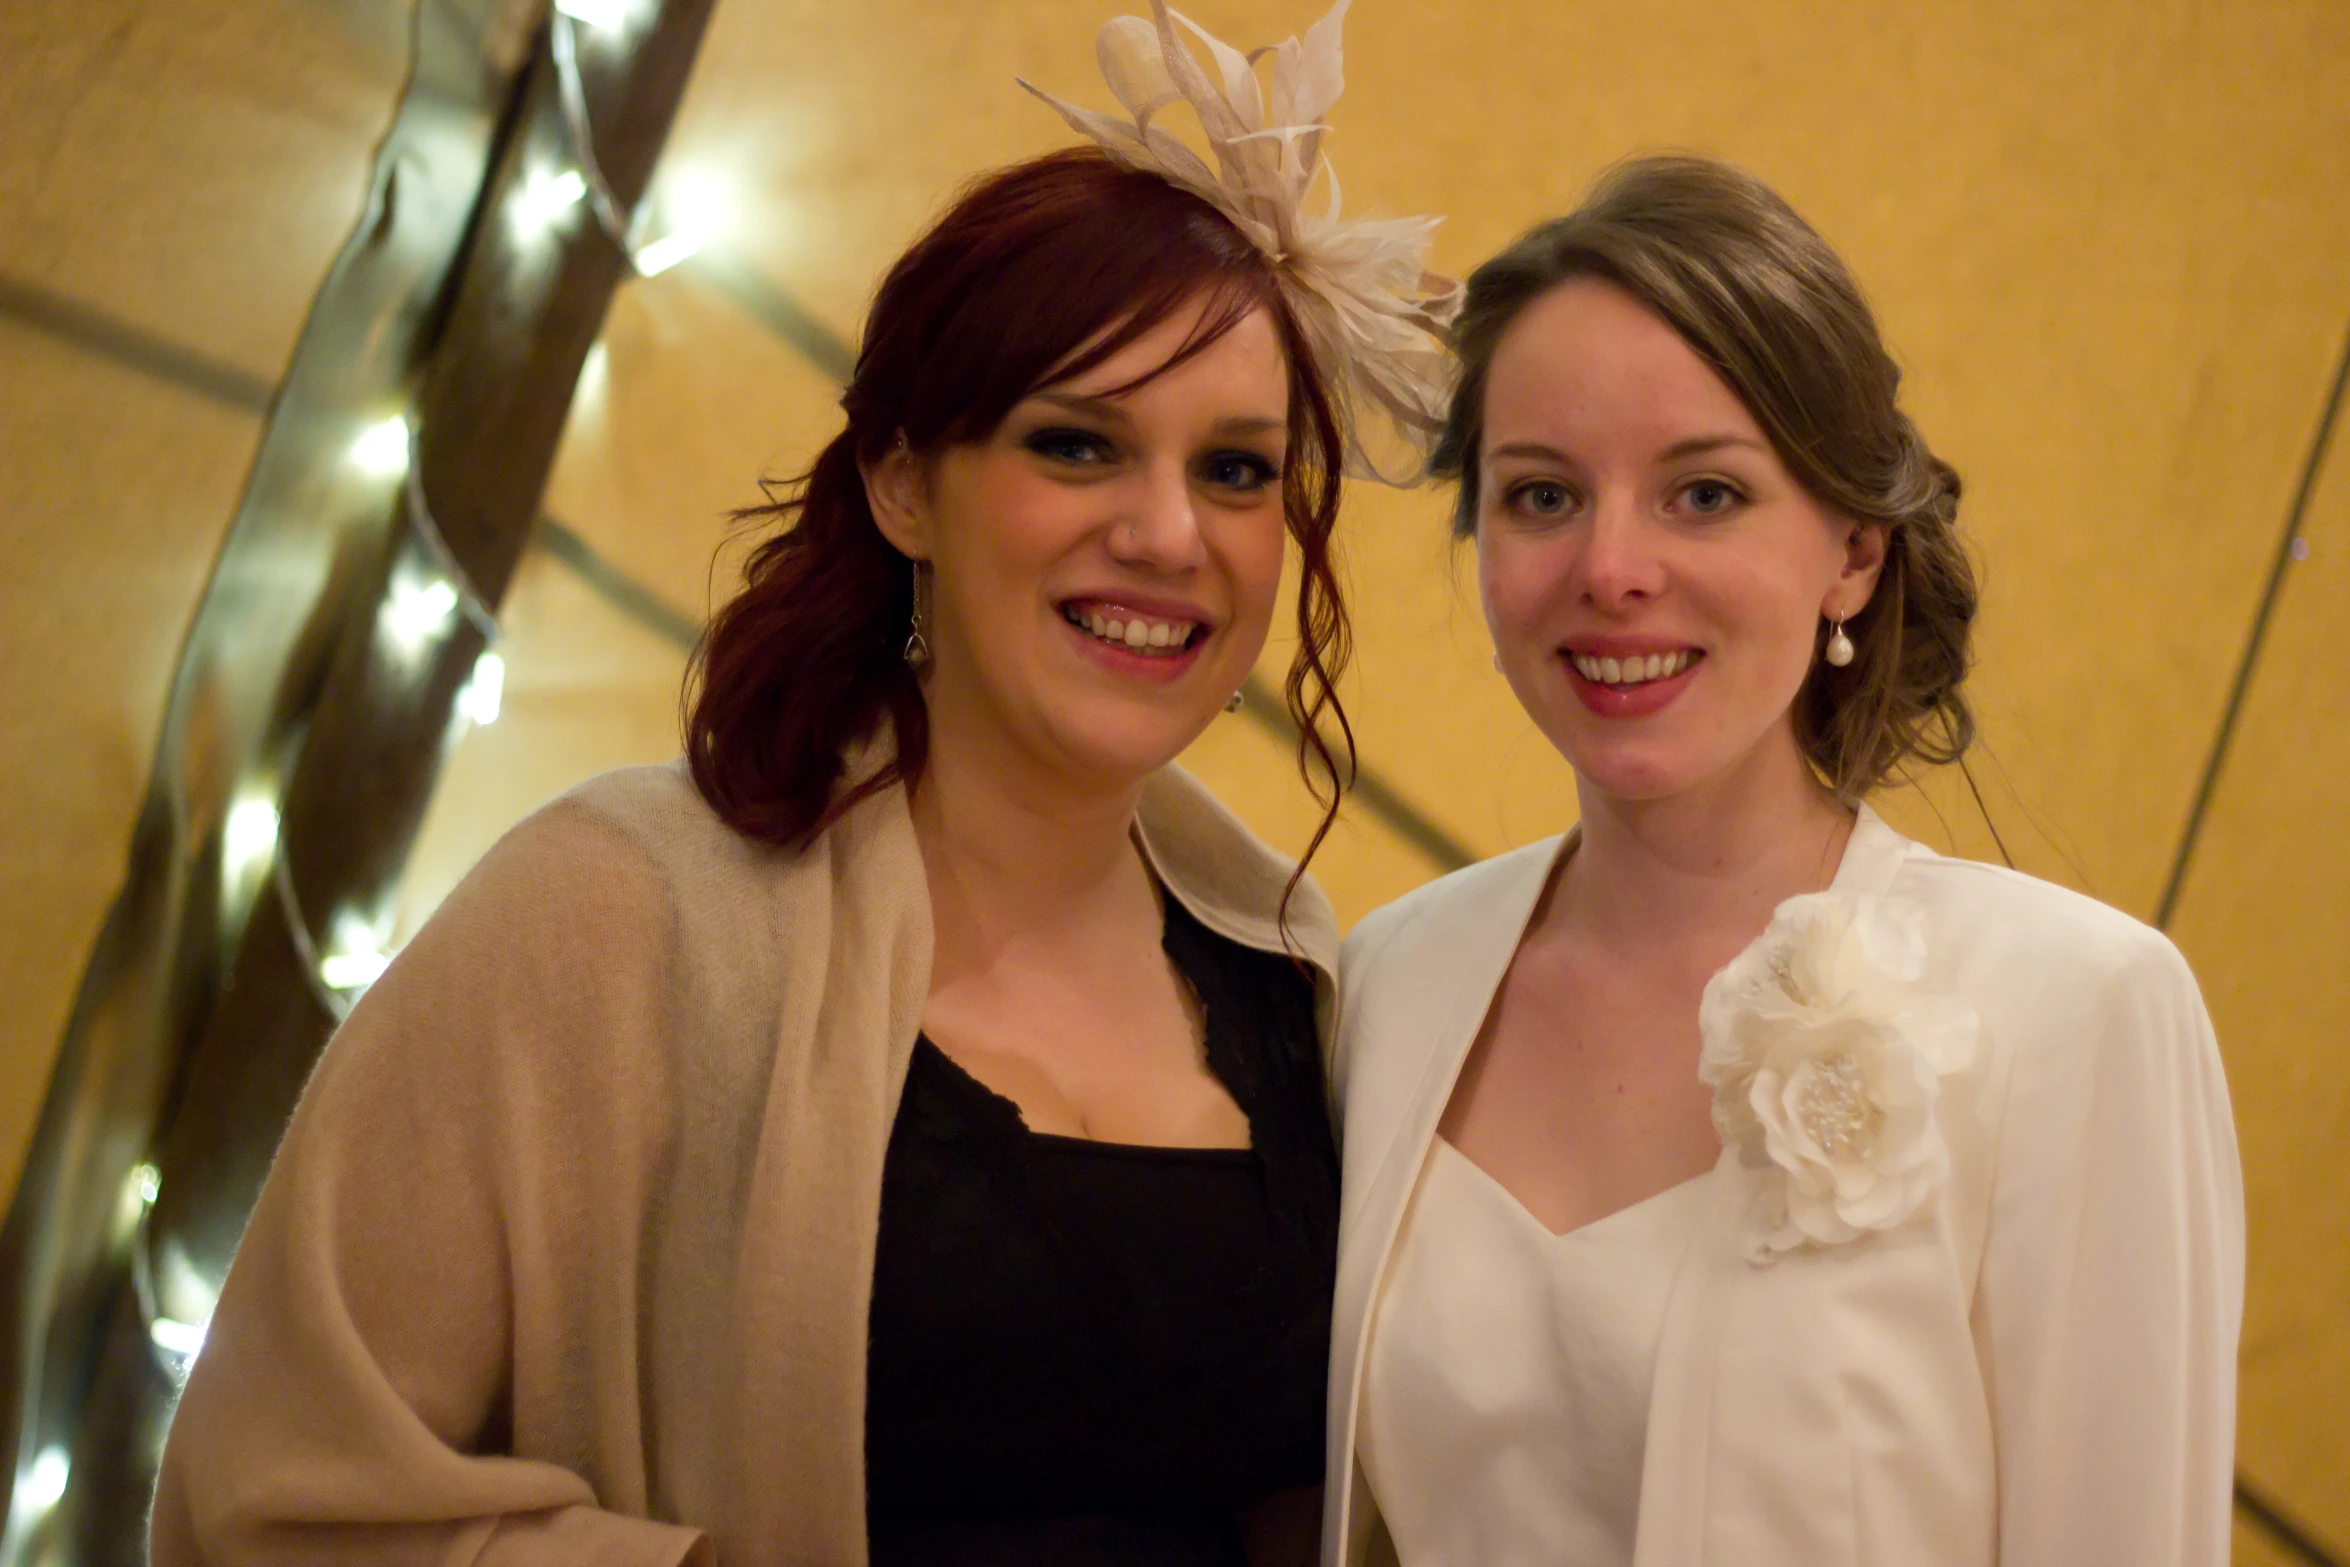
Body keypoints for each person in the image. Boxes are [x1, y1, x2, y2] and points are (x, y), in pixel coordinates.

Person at [150, 6, 1456, 1565]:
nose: (1171, 535)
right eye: (1078, 444)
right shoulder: (613, 912)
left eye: (1236, 468)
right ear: (906, 482)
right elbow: (269, 1497)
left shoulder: (1301, 983)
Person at [1323, 155, 2242, 1567]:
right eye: (1540, 495)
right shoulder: (1384, 980)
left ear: (1854, 552)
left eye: (1702, 494)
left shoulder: (2076, 1006)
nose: (1610, 567)